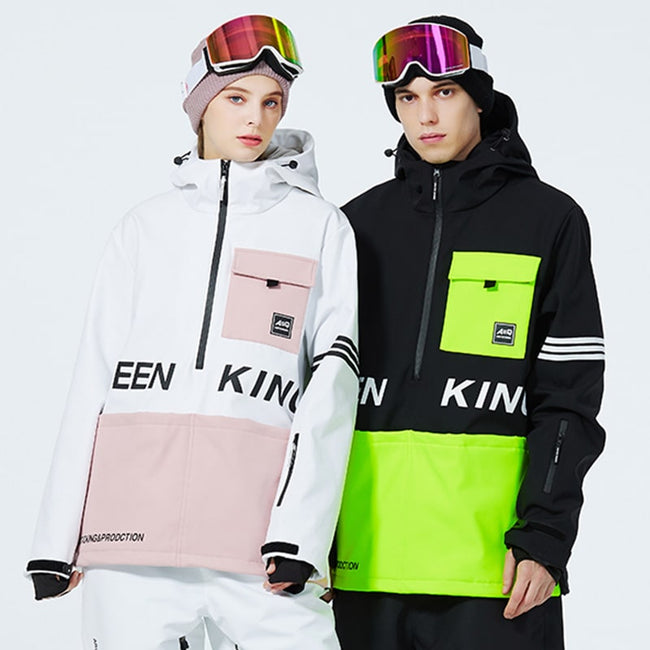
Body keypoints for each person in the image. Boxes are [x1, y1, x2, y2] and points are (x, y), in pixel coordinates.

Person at [26, 14, 358, 650]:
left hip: (258, 542)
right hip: (131, 539)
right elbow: (94, 377)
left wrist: (301, 537)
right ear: (200, 104)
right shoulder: (144, 227)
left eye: (272, 102)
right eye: (236, 98)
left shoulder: (318, 226)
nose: (255, 118)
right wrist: (55, 539)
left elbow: (332, 387)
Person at [332, 15, 605, 650]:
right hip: (362, 568)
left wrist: (545, 536)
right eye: (407, 98)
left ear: (479, 97)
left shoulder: (549, 219)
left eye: (445, 92)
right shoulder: (353, 224)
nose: (425, 116)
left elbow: (569, 396)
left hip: (494, 574)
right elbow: (316, 399)